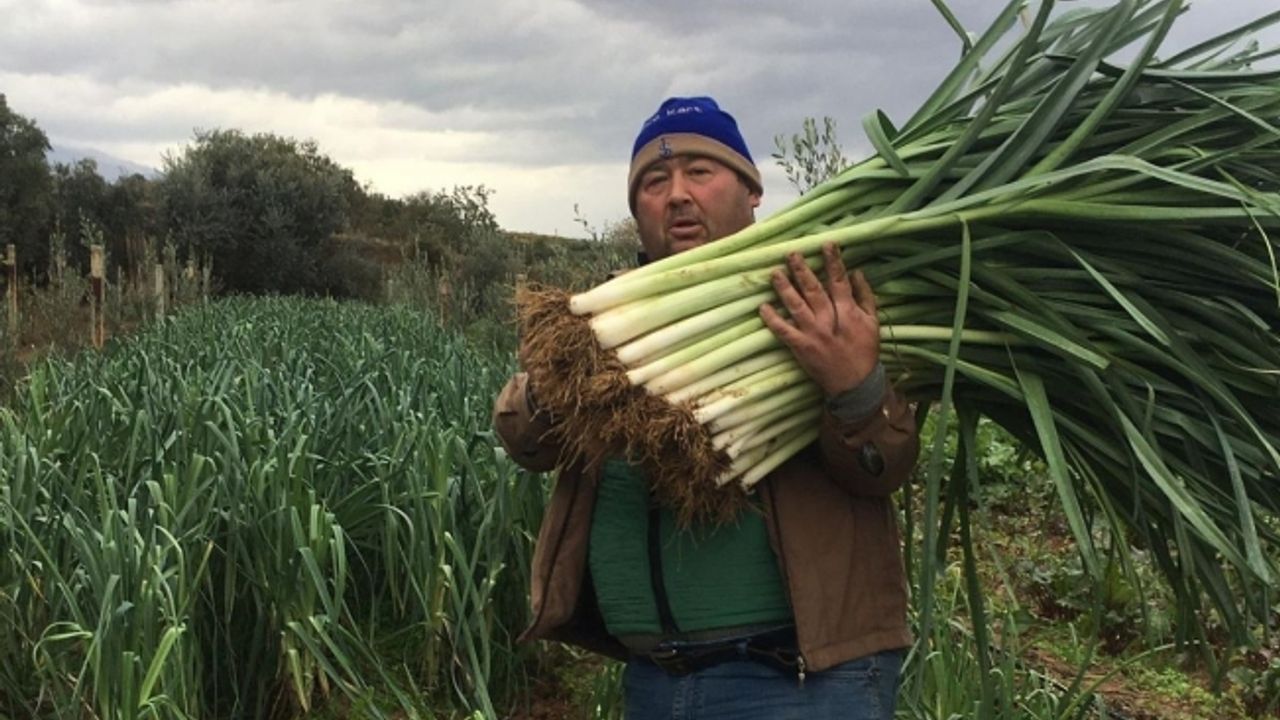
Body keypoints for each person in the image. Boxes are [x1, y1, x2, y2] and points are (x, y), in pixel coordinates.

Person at [493, 96, 919, 720]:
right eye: (655, 181)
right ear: (637, 209)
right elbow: (525, 442)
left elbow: (887, 464)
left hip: (797, 682)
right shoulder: (606, 320)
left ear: (752, 192)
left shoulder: (821, 303)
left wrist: (853, 385)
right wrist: (554, 378)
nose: (677, 195)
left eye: (701, 172)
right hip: (654, 681)